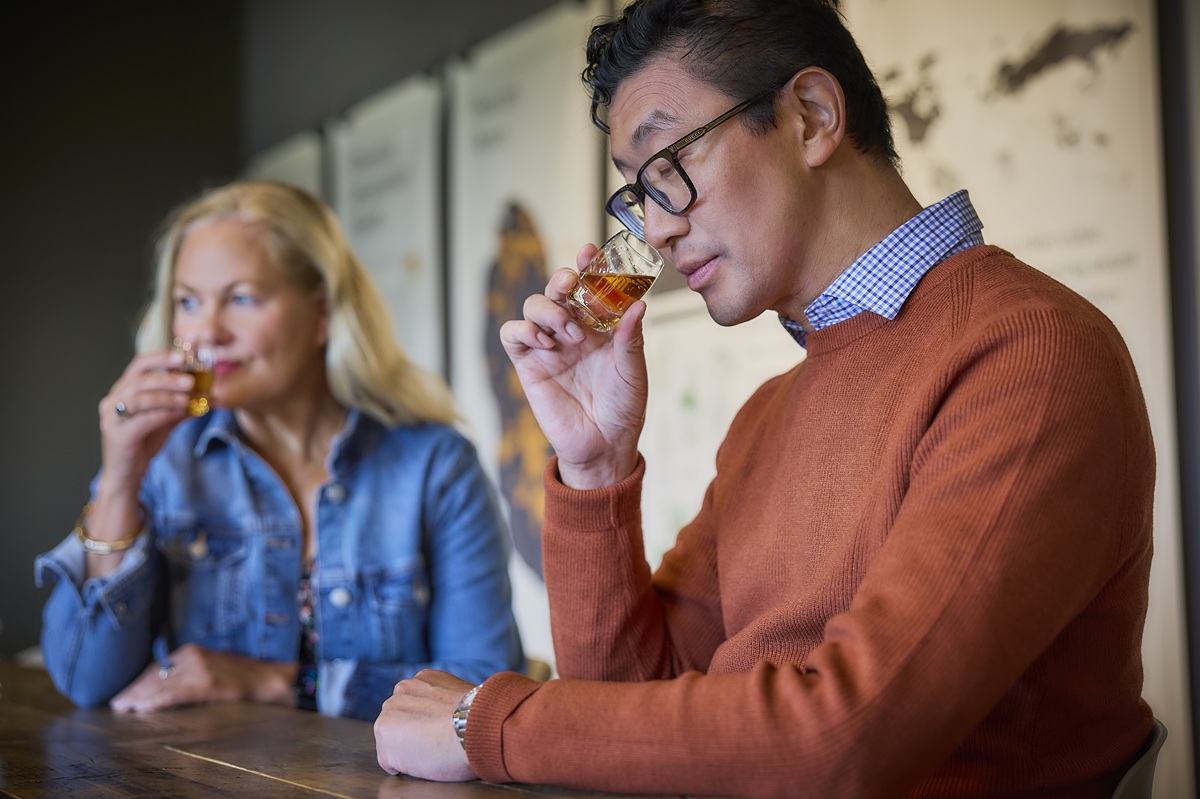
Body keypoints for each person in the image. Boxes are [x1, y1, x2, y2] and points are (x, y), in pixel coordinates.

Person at [372, 1, 1156, 796]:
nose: (658, 228)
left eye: (668, 168)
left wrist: (488, 722)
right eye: (636, 194)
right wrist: (594, 464)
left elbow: (847, 735)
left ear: (811, 117)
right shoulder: (767, 415)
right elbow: (627, 710)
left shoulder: (1029, 352)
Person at [36, 181, 524, 721]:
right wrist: (120, 477)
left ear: (322, 311)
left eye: (242, 298)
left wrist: (276, 681)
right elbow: (83, 679)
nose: (207, 332)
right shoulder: (166, 463)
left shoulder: (435, 466)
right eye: (188, 302)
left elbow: (482, 692)